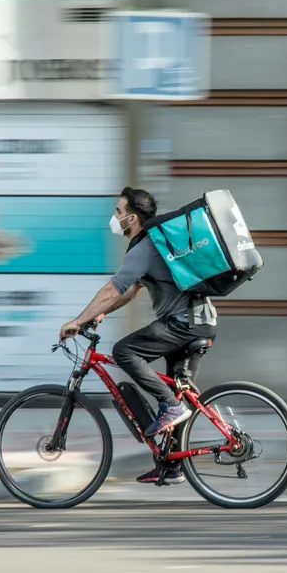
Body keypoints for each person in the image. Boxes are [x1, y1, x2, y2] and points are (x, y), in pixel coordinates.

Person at [59, 187, 217, 484]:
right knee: (178, 391)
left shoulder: (144, 247)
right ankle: (172, 467)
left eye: (118, 212)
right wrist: (98, 314)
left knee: (124, 352)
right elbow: (131, 290)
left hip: (184, 324)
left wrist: (79, 320)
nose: (114, 218)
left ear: (131, 218)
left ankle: (172, 407)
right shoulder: (153, 244)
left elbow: (112, 289)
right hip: (199, 321)